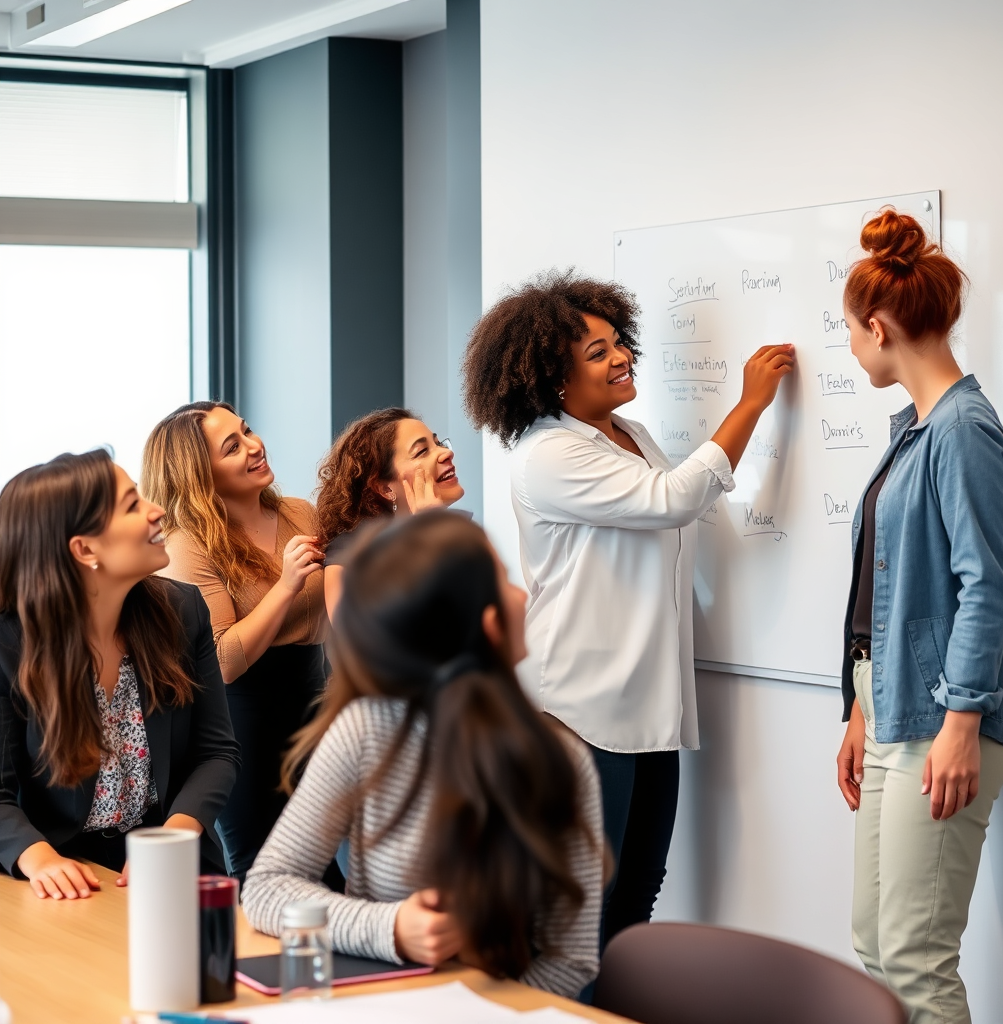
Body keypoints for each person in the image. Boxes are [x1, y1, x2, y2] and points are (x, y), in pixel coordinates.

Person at [462, 269, 794, 947]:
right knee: (583, 905)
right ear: (555, 379)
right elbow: (674, 499)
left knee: (637, 892)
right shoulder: (548, 454)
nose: (622, 359)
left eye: (620, 343)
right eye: (598, 353)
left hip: (649, 703)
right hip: (583, 710)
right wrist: (751, 404)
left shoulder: (631, 433)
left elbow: (672, 506)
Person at [242, 511, 604, 998]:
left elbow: (570, 961)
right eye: (504, 580)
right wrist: (391, 927)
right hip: (380, 1002)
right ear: (489, 629)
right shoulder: (366, 731)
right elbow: (267, 887)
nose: (523, 594)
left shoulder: (560, 761)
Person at [835, 209, 1003, 1024]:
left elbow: (987, 588)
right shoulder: (915, 432)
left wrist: (960, 723)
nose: (850, 346)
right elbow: (886, 588)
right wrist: (857, 705)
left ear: (878, 327)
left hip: (943, 715)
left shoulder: (965, 432)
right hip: (891, 709)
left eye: (848, 331)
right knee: (876, 950)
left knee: (915, 960)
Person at [0, 450, 240, 899]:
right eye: (132, 504)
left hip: (172, 862)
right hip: (63, 876)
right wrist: (38, 858)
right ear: (85, 549)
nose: (158, 511)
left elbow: (217, 753)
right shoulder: (9, 644)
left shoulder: (183, 610)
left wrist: (174, 837)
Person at [141, 402, 327, 881]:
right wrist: (286, 586)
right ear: (199, 475)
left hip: (318, 698)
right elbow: (222, 660)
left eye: (247, 431)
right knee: (259, 863)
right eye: (232, 447)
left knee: (328, 867)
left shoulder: (300, 514)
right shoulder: (189, 546)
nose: (254, 445)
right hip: (244, 715)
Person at [315, 408, 465, 623]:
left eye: (438, 444)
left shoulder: (455, 535)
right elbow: (363, 646)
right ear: (385, 489)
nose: (446, 453)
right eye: (422, 451)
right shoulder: (348, 557)